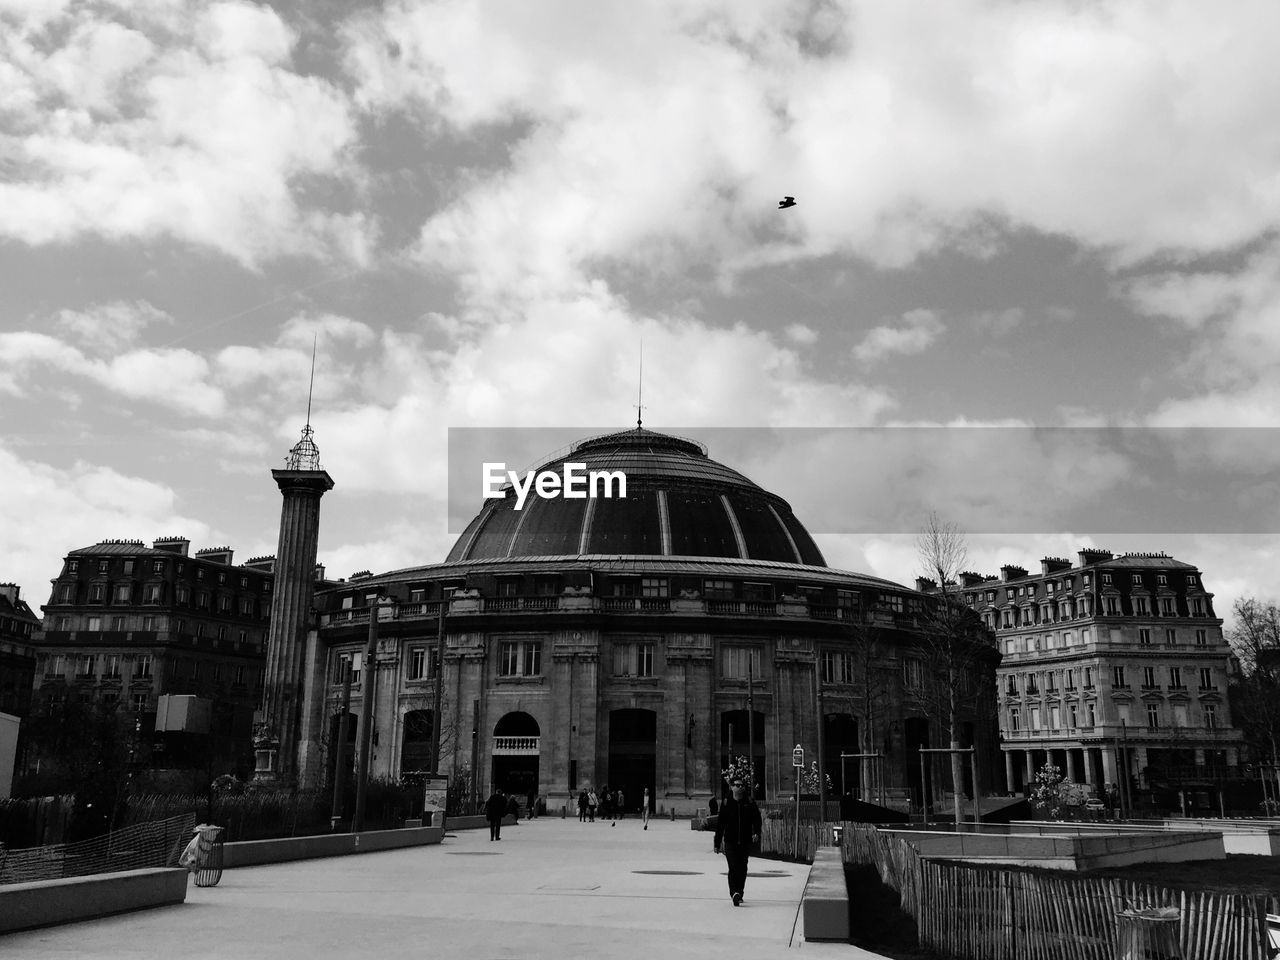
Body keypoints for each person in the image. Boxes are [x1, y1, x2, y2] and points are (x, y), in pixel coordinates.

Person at [713, 779, 761, 906]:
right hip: (730, 841)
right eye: (736, 785)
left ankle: (740, 892)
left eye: (741, 785)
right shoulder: (726, 802)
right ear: (731, 787)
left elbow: (757, 818)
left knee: (743, 867)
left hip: (745, 841)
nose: (739, 787)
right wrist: (717, 843)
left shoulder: (749, 802)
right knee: (733, 867)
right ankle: (734, 893)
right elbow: (720, 824)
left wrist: (757, 832)